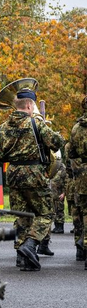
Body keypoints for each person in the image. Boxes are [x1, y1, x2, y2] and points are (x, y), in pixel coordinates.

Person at [0, 87, 63, 271]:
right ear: (28, 105)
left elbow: (0, 155)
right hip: (34, 172)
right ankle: (30, 245)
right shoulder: (35, 124)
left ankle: (22, 257)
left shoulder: (3, 127)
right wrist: (42, 121)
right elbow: (57, 142)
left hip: (14, 172)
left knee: (21, 216)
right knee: (46, 213)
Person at [65, 96, 87, 265]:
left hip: (81, 176)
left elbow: (71, 153)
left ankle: (82, 250)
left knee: (81, 213)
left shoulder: (76, 128)